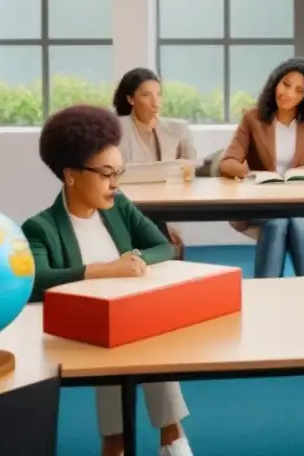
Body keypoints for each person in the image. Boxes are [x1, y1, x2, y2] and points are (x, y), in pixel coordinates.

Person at [22, 105, 193, 456]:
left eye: (119, 172)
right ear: (71, 175)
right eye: (106, 174)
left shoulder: (119, 206)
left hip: (130, 321)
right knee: (120, 341)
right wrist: (104, 269)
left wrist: (137, 261)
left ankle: (168, 438)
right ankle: (134, 442)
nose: (115, 183)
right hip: (79, 330)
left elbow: (164, 246)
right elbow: (37, 280)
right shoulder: (41, 227)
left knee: (145, 336)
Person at [220, 58, 304, 278]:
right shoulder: (253, 117)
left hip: (300, 201)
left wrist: (302, 174)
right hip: (264, 202)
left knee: (299, 224)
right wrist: (253, 174)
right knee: (277, 223)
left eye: (298, 90)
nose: (289, 93)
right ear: (275, 83)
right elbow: (228, 162)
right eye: (286, 84)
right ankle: (264, 295)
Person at [113, 67, 197, 258]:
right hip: (128, 208)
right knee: (163, 246)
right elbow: (112, 175)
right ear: (131, 99)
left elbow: (189, 175)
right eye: (147, 95)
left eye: (159, 95)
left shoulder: (178, 130)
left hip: (164, 208)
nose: (155, 101)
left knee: (171, 245)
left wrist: (170, 225)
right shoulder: (117, 129)